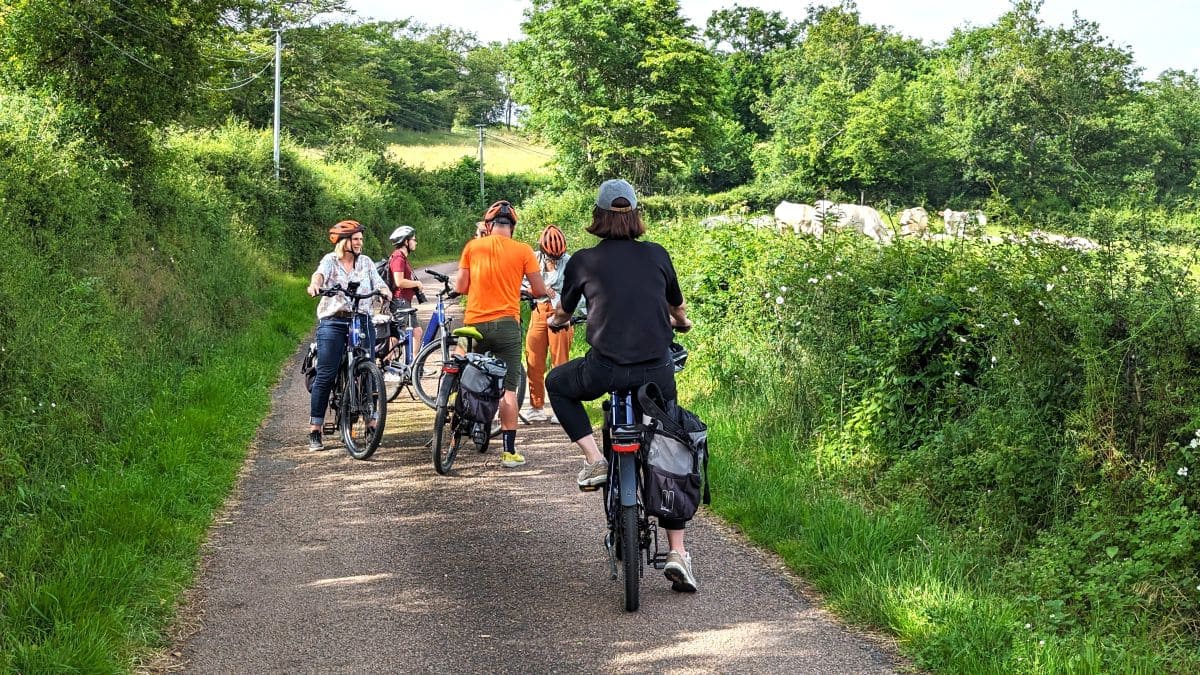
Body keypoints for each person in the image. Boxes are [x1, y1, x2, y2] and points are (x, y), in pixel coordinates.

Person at [545, 179, 698, 592]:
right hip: (655, 373)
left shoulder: (583, 261)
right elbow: (676, 308)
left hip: (605, 370)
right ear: (635, 215)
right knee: (669, 445)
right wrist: (680, 323)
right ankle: (678, 553)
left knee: (556, 383)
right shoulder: (657, 255)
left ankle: (595, 458)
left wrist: (556, 322)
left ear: (597, 216)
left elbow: (563, 312)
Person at [455, 200, 550, 468]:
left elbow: (461, 286)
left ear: (488, 226)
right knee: (509, 388)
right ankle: (509, 452)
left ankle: (454, 418)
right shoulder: (522, 251)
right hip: (507, 325)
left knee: (463, 365)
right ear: (513, 227)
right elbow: (540, 289)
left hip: (474, 323)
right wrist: (531, 294)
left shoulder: (473, 247)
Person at [305, 220, 392, 451]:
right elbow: (319, 275)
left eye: (361, 239)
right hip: (334, 320)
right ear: (344, 243)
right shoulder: (330, 261)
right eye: (356, 239)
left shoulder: (365, 262)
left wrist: (385, 290)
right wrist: (315, 285)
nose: (360, 243)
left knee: (370, 370)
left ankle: (372, 423)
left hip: (361, 319)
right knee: (326, 372)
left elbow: (378, 281)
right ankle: (316, 428)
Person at [521, 225, 574, 423]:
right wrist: (537, 289)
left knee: (560, 362)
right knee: (534, 359)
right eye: (551, 256)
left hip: (561, 312)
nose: (554, 260)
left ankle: (561, 409)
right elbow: (521, 282)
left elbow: (577, 291)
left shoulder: (569, 262)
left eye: (558, 256)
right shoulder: (533, 259)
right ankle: (536, 406)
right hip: (539, 311)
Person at [383, 225, 425, 380]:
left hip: (402, 301)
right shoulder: (398, 258)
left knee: (395, 335)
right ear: (406, 241)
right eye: (413, 239)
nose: (416, 242)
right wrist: (417, 284)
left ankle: (404, 366)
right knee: (414, 332)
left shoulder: (400, 257)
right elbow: (399, 281)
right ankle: (408, 367)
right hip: (400, 301)